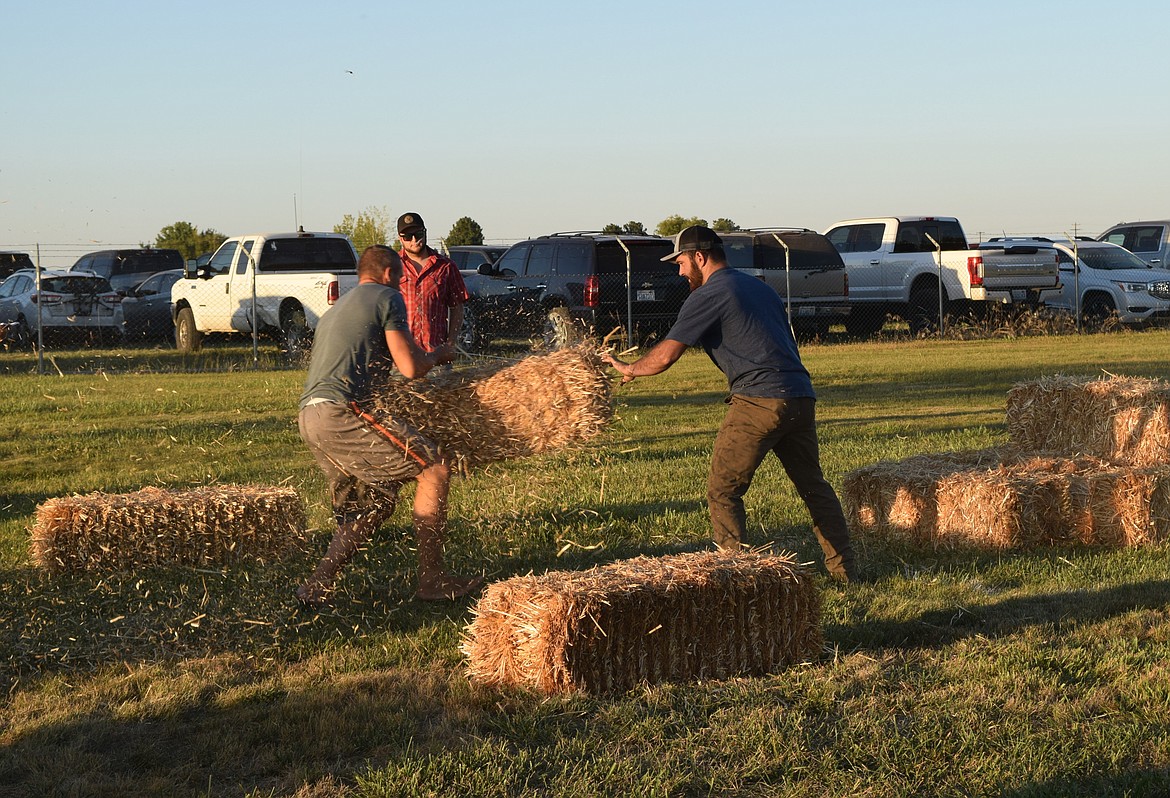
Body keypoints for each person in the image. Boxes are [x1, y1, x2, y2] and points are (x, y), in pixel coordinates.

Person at [602, 225, 859, 583]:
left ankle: (736, 581)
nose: (678, 271)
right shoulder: (758, 286)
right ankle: (845, 571)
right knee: (814, 488)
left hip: (759, 400)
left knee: (723, 491)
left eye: (680, 263)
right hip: (800, 395)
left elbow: (665, 356)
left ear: (699, 258)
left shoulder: (708, 294)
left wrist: (630, 368)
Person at [296, 244, 482, 607]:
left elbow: (371, 370)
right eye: (399, 276)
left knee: (371, 506)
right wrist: (438, 355)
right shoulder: (386, 298)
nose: (401, 284)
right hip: (341, 412)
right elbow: (411, 367)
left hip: (310, 416)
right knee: (435, 470)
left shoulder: (337, 310)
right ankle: (432, 581)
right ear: (386, 273)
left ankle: (314, 588)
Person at [396, 212, 469, 354]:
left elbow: (457, 307)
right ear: (400, 238)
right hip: (400, 358)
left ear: (425, 233)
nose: (414, 240)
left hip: (435, 356)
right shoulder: (391, 266)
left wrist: (450, 343)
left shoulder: (446, 267)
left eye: (418, 234)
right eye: (407, 236)